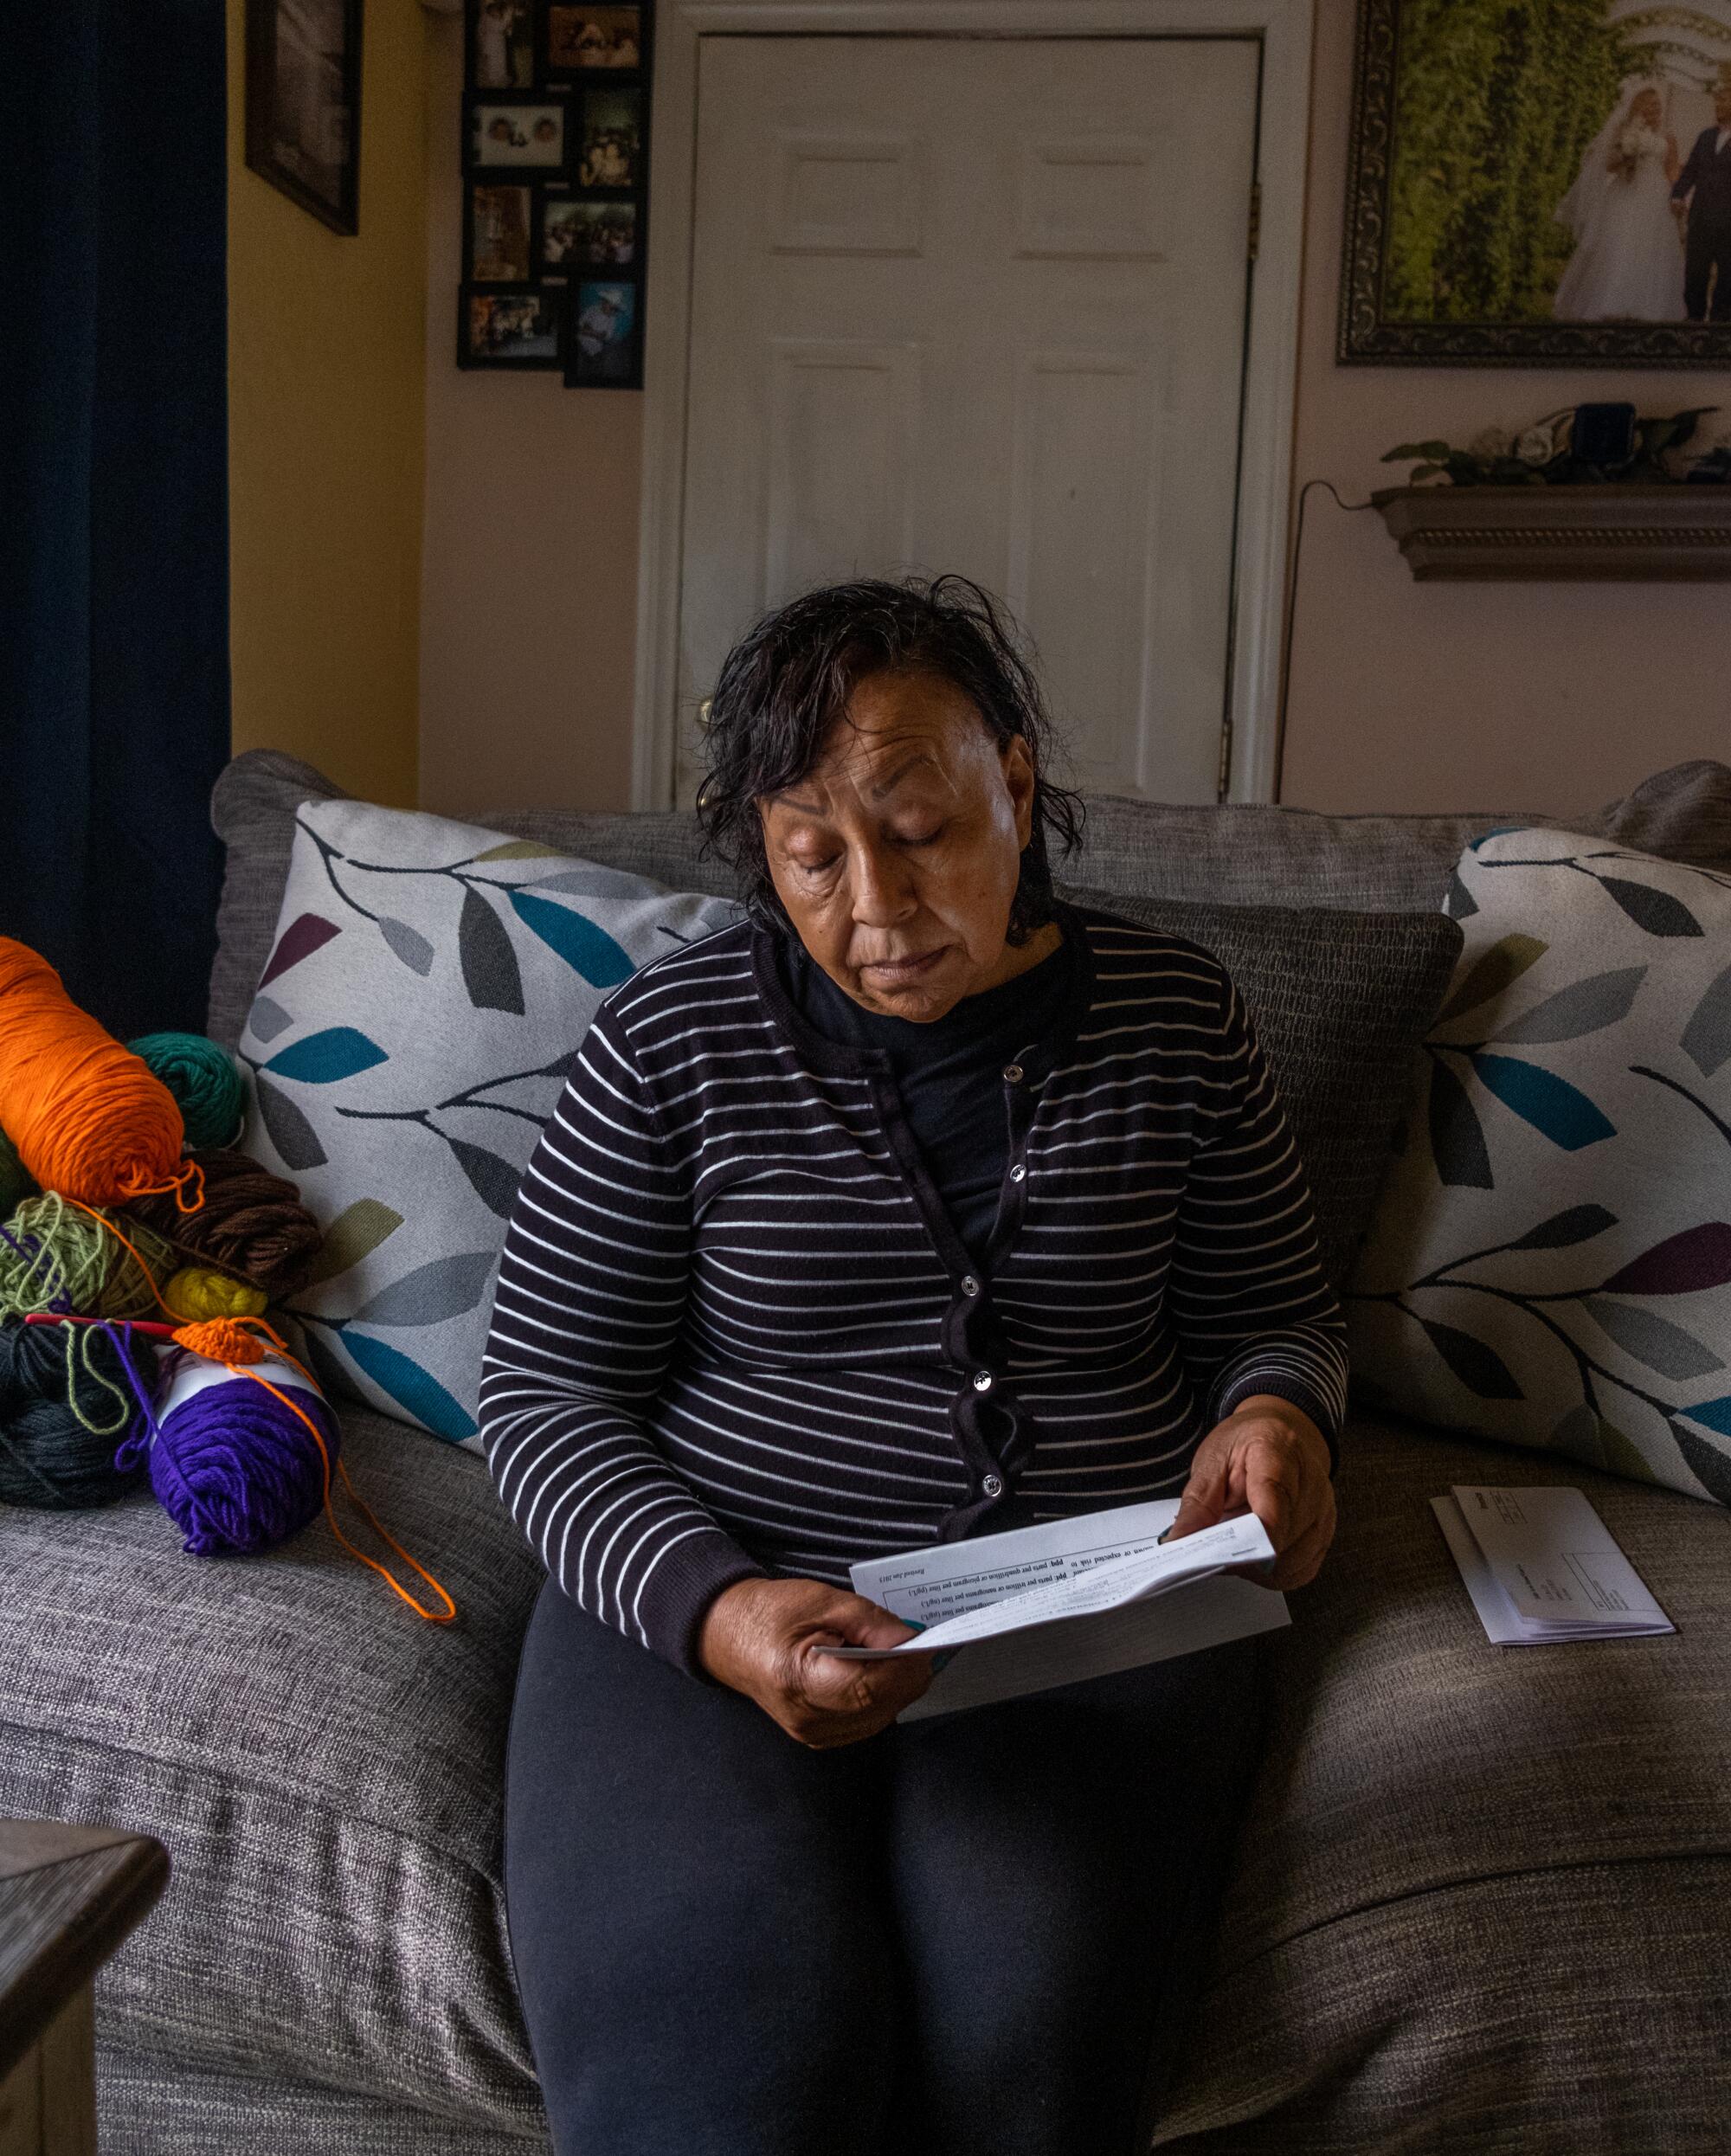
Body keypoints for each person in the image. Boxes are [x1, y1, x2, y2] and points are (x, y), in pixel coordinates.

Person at [483, 577, 1347, 2156]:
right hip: (709, 1596)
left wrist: (1277, 1412)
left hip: (1085, 1624)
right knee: (720, 2077)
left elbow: (1271, 1310)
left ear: (1014, 781)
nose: (876, 904)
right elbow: (542, 1396)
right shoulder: (669, 1042)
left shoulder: (1176, 1017)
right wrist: (720, 1609)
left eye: (923, 828)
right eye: (813, 852)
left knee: (1034, 2049)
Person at [1554, 84, 1684, 321]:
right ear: (1639, 107)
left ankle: (1648, 308)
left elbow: (1673, 170)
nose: (1656, 109)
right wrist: (1627, 154)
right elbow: (1609, 165)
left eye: (1658, 105)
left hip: (1657, 197)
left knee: (1652, 250)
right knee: (1621, 245)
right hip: (1627, 192)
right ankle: (1611, 304)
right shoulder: (1625, 131)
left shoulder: (1669, 137)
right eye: (1650, 105)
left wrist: (1677, 196)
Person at [1672, 72, 1731, 321]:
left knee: (1727, 279)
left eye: (1724, 101)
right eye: (1718, 101)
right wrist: (1678, 195)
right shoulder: (1705, 136)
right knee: (1695, 275)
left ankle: (1719, 329)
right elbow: (1691, 171)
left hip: (1728, 222)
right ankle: (1693, 324)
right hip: (1701, 218)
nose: (1718, 105)